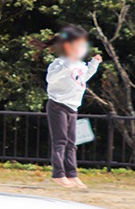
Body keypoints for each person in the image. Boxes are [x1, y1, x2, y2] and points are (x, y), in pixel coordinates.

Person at [42, 24, 102, 188]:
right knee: (60, 141)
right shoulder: (59, 63)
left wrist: (94, 64)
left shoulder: (80, 64)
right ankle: (59, 174)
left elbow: (84, 78)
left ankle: (72, 174)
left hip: (73, 106)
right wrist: (67, 66)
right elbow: (51, 79)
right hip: (58, 105)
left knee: (71, 142)